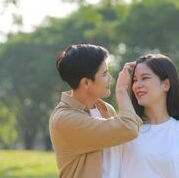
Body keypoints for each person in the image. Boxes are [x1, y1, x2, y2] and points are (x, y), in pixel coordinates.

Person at [49, 44, 143, 178]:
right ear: (86, 83)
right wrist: (121, 90)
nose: (110, 78)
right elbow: (129, 128)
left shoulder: (105, 109)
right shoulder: (64, 119)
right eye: (104, 74)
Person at [119, 53, 179, 178]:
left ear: (166, 84)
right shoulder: (124, 131)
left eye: (145, 78)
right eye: (135, 80)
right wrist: (121, 89)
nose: (137, 85)